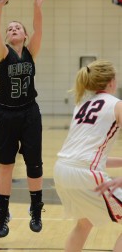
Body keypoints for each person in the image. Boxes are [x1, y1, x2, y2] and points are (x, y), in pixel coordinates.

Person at [0, 0, 45, 238]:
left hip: (29, 112)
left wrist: (37, 6)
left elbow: (39, 29)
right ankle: (2, 216)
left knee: (34, 164)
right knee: (6, 166)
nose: (12, 30)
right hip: (5, 114)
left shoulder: (30, 52)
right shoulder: (1, 53)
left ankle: (36, 209)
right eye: (9, 28)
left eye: (17, 28)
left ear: (24, 34)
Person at [53, 59, 122, 252]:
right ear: (111, 82)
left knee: (84, 223)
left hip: (62, 170)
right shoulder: (116, 105)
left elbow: (87, 155)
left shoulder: (82, 105)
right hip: (85, 173)